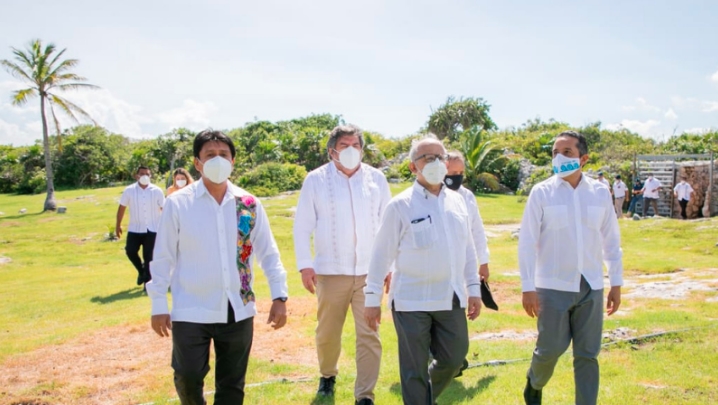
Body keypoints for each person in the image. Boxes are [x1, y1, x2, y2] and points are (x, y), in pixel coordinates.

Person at [147, 130, 289, 405]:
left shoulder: (248, 204)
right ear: (197, 163)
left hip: (237, 308)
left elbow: (268, 253)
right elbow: (163, 257)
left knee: (232, 385)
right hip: (190, 308)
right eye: (209, 155)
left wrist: (279, 296)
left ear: (233, 161)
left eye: (223, 154)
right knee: (187, 376)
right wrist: (158, 305)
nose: (217, 160)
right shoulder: (178, 203)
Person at [364, 136, 482, 405]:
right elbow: (381, 255)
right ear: (412, 167)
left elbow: (468, 248)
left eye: (440, 157)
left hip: (449, 296)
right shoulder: (400, 206)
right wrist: (372, 299)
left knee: (454, 358)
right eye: (428, 158)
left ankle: (422, 399)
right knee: (413, 370)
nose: (436, 163)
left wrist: (473, 288)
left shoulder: (458, 202)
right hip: (410, 301)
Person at [518, 131, 623, 405]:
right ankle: (534, 383)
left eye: (567, 152)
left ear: (583, 159)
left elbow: (611, 239)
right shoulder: (542, 192)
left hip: (591, 285)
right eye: (555, 152)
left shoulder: (600, 192)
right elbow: (527, 242)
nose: (559, 157)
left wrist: (616, 283)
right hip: (552, 286)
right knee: (550, 349)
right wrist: (527, 287)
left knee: (588, 354)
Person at [293, 124, 390, 405]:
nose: (351, 151)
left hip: (369, 273)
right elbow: (302, 227)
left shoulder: (376, 179)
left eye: (356, 146)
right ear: (332, 150)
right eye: (345, 146)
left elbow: (389, 226)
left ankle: (365, 395)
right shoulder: (315, 180)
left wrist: (390, 267)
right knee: (327, 333)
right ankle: (327, 375)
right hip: (330, 272)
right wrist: (305, 265)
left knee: (369, 333)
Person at [115, 166, 165, 286]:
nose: (144, 176)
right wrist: (118, 225)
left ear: (150, 176)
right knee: (130, 251)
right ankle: (141, 271)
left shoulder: (157, 191)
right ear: (136, 175)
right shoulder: (129, 190)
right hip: (135, 228)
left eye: (147, 174)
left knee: (149, 257)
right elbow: (122, 208)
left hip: (152, 228)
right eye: (142, 174)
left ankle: (147, 283)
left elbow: (164, 209)